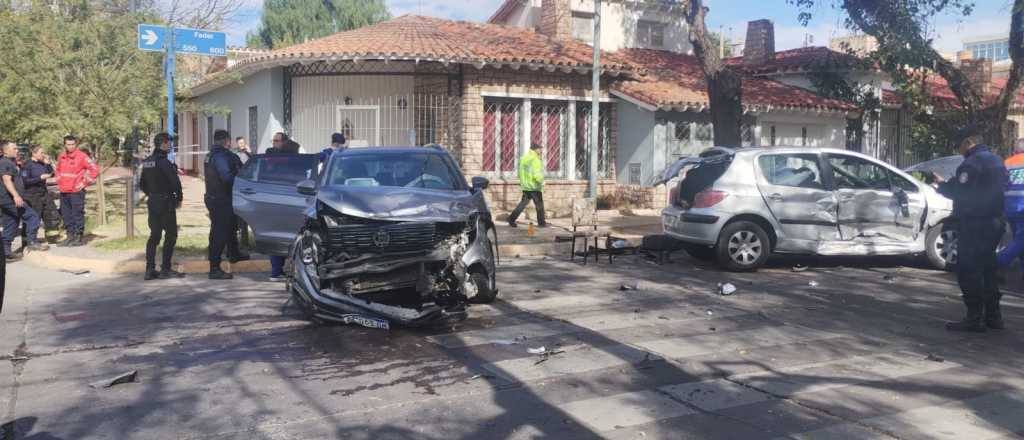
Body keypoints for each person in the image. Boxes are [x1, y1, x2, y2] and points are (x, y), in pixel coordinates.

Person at [935, 132, 1007, 332]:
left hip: (975, 222)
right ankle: (994, 317)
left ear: (968, 142)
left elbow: (960, 190)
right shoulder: (997, 161)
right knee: (988, 269)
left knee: (969, 269)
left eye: (959, 145)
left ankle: (974, 318)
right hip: (995, 221)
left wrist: (941, 185)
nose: (958, 150)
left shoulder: (971, 163)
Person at [204, 129, 249, 280]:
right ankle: (214, 268)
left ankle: (234, 254)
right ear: (227, 141)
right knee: (219, 233)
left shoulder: (211, 155)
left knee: (230, 227)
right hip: (221, 199)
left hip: (216, 197)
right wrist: (242, 182)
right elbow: (227, 177)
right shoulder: (221, 156)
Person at [141, 133, 185, 281]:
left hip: (153, 202)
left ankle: (149, 269)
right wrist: (179, 198)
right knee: (171, 235)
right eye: (169, 143)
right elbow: (175, 182)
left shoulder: (147, 161)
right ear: (164, 144)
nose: (170, 146)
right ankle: (165, 269)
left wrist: (152, 194)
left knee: (154, 236)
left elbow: (142, 183)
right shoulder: (164, 162)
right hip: (165, 202)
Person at [1, 142, 46, 261]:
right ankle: (32, 242)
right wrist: (16, 196)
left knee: (11, 223)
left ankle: (6, 252)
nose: (17, 150)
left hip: (7, 200)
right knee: (32, 217)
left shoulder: (11, 162)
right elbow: (7, 180)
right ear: (5, 151)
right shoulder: (5, 162)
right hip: (10, 199)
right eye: (14, 148)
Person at [266, 139, 302, 282]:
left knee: (276, 237)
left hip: (274, 204)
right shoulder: (294, 165)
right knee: (293, 237)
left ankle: (276, 271)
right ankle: (290, 270)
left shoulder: (272, 163)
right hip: (290, 205)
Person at [55, 135, 99, 247]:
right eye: (68, 144)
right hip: (64, 191)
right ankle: (69, 237)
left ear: (76, 145)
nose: (70, 146)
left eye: (72, 144)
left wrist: (84, 183)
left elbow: (95, 169)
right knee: (66, 215)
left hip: (76, 191)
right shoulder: (61, 156)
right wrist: (59, 181)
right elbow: (58, 170)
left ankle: (78, 237)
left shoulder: (82, 156)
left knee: (77, 214)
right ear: (64, 145)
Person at [20, 146, 61, 244]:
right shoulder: (27, 165)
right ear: (34, 154)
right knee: (34, 217)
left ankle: (52, 238)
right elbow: (25, 181)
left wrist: (48, 164)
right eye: (41, 153)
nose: (43, 155)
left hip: (44, 193)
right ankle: (28, 241)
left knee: (51, 214)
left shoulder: (43, 164)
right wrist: (39, 178)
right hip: (32, 195)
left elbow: (51, 174)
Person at [997, 138, 1024, 270]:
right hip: (1022, 207)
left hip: (1009, 208)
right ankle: (997, 262)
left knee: (1019, 240)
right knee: (1020, 242)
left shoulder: (1007, 163)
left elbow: (1001, 185)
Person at [507, 143, 546, 228]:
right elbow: (537, 175)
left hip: (526, 186)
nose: (541, 151)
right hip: (534, 187)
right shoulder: (535, 160)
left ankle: (511, 219)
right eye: (540, 149)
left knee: (522, 204)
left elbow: (520, 173)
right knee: (539, 205)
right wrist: (542, 182)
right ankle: (542, 223)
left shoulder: (524, 158)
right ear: (535, 149)